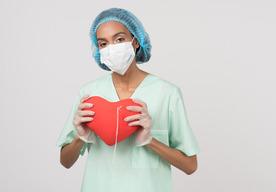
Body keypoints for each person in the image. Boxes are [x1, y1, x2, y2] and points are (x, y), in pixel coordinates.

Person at [56, 7, 200, 192]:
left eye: (119, 39)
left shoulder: (167, 93)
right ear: (98, 49)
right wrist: (81, 137)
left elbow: (190, 166)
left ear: (136, 42)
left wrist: (150, 140)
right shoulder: (89, 94)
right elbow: (65, 162)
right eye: (103, 44)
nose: (111, 48)